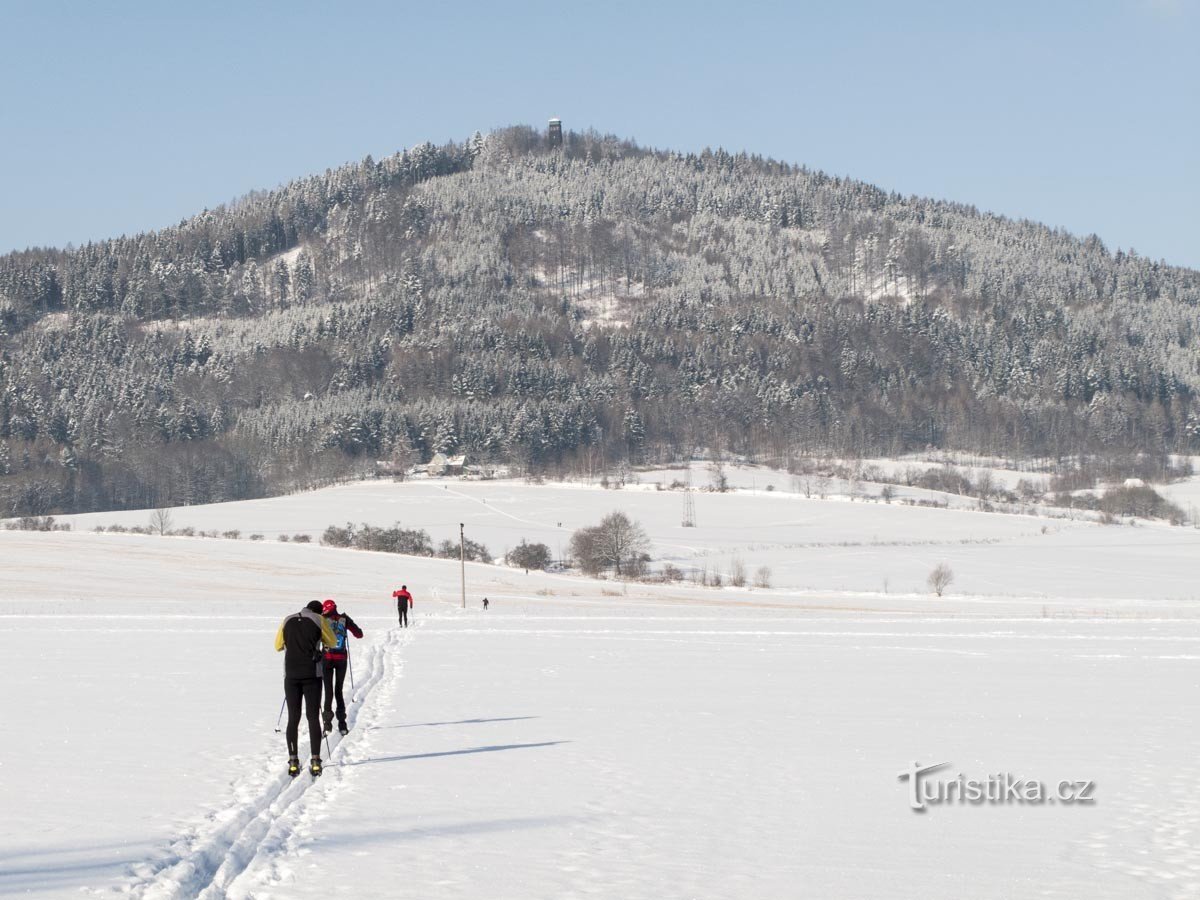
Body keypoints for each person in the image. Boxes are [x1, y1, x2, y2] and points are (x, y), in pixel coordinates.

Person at [275, 600, 337, 777]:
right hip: (312, 676)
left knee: (293, 718)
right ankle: (316, 760)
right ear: (318, 611)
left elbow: (278, 646)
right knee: (312, 717)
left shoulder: (288, 620)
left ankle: (293, 761)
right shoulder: (319, 620)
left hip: (291, 676)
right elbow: (332, 642)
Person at [320, 599, 363, 736]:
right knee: (338, 691)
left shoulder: (322, 619)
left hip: (326, 659)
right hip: (341, 660)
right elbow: (359, 634)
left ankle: (327, 725)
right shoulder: (344, 619)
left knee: (328, 692)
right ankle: (342, 725)